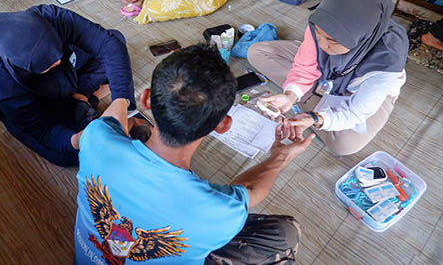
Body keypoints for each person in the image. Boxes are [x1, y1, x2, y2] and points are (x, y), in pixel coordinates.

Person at [74, 44, 313, 264]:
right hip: (200, 225)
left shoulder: (95, 138)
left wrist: (122, 104)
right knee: (286, 233)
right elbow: (250, 191)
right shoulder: (217, 212)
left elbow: (109, 120)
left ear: (146, 99)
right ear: (223, 125)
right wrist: (280, 155)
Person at [248, 0, 409, 156]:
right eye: (318, 34)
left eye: (333, 41)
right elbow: (304, 66)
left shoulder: (387, 59)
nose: (322, 45)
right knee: (257, 52)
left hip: (357, 90)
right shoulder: (322, 24)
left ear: (360, 38)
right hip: (326, 71)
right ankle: (309, 99)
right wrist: (290, 95)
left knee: (344, 145)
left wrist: (316, 119)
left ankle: (311, 102)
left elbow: (356, 113)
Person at [0, 5, 135, 167]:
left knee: (115, 42)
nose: (58, 61)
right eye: (49, 66)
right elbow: (43, 131)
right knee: (71, 155)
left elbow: (108, 44)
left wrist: (120, 100)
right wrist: (79, 139)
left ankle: (80, 96)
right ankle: (79, 103)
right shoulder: (3, 86)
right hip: (38, 109)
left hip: (70, 72)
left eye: (57, 54)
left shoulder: (50, 18)